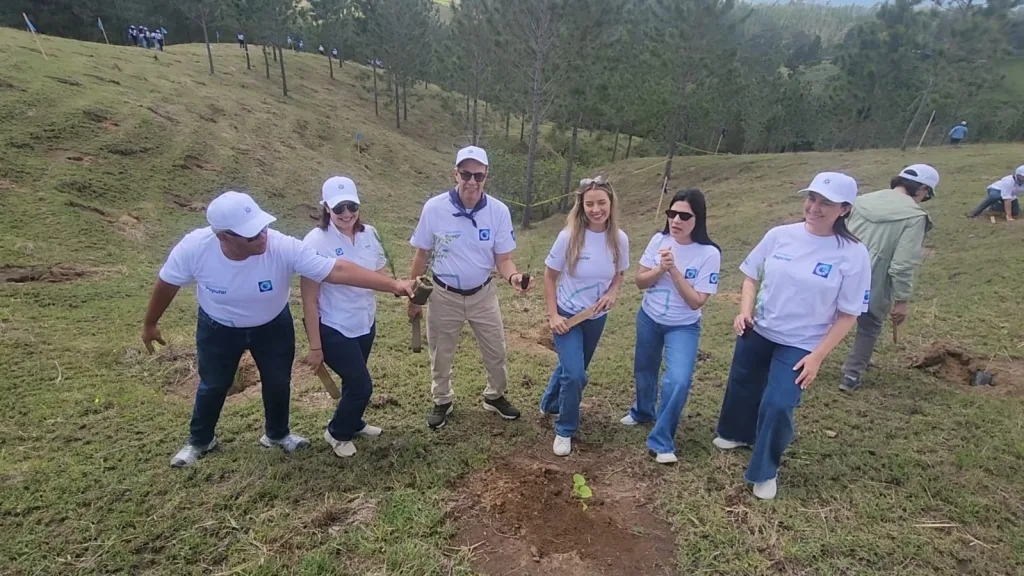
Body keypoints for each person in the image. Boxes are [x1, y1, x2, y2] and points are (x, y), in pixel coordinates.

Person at [142, 191, 413, 468]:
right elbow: (168, 282)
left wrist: (394, 285)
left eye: (263, 228)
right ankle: (200, 440)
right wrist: (150, 323)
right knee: (214, 384)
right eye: (252, 235)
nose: (262, 237)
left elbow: (338, 270)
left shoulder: (281, 245)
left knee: (277, 381)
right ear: (223, 237)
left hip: (272, 325)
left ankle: (277, 435)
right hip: (219, 326)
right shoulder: (195, 248)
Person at [713, 172, 871, 500]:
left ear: (844, 209)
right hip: (760, 330)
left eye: (826, 203)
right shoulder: (780, 235)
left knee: (779, 403)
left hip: (802, 343)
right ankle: (737, 433)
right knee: (743, 385)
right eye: (812, 198)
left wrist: (818, 356)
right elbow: (750, 276)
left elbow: (849, 314)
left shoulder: (853, 254)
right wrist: (745, 311)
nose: (814, 207)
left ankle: (765, 470)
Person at [408, 146, 528, 428]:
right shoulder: (434, 208)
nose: (472, 181)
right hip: (443, 295)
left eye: (478, 175)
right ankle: (442, 400)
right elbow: (422, 254)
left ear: (486, 176)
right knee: (441, 353)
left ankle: (495, 396)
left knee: (496, 350)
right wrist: (413, 295)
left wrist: (513, 277)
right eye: (466, 174)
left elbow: (504, 259)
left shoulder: (498, 211)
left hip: (483, 295)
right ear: (455, 174)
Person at [621, 189, 721, 464]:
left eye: (684, 216)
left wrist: (674, 270)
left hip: (683, 326)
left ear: (698, 219)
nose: (676, 220)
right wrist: (659, 269)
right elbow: (640, 281)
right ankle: (643, 412)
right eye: (672, 213)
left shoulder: (709, 253)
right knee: (644, 369)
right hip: (649, 318)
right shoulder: (659, 240)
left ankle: (661, 440)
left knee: (678, 380)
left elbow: (696, 301)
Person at [540, 176, 629, 456]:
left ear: (611, 203)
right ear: (581, 206)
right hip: (567, 317)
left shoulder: (619, 239)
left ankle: (550, 403)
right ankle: (565, 429)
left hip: (595, 317)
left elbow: (619, 274)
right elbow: (549, 277)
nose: (596, 209)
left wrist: (612, 292)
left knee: (572, 369)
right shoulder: (568, 237)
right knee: (576, 374)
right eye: (589, 204)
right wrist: (553, 315)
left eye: (601, 202)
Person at [301, 177, 387, 458]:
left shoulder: (370, 234)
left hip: (364, 320)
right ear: (326, 207)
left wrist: (405, 288)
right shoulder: (315, 241)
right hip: (334, 325)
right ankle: (337, 432)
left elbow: (379, 276)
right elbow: (309, 298)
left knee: (353, 380)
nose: (347, 214)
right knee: (362, 385)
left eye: (352, 206)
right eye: (339, 208)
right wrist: (315, 346)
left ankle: (354, 421)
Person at [841, 164, 938, 392]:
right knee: (870, 324)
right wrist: (901, 300)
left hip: (841, 267)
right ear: (922, 189)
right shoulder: (915, 216)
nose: (923, 199)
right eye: (926, 194)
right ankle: (851, 374)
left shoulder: (861, 200)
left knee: (825, 315)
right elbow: (902, 264)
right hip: (874, 276)